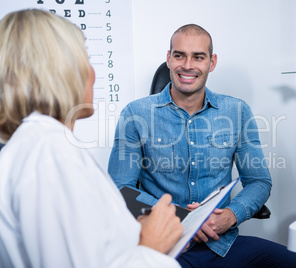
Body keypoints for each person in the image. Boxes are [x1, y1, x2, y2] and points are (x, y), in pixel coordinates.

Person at [108, 24, 296, 267]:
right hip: (166, 248)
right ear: (168, 59)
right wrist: (183, 220)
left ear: (212, 62)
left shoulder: (237, 111)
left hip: (222, 244)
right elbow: (120, 187)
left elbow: (259, 181)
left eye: (198, 57)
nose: (188, 65)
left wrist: (231, 215)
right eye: (179, 55)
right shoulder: (135, 113)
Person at [0, 9, 183, 267]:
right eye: (85, 60)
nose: (93, 74)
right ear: (61, 70)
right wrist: (152, 245)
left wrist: (134, 231)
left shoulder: (36, 148)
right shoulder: (51, 154)